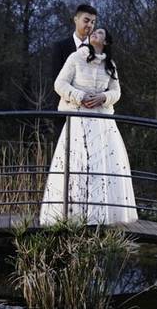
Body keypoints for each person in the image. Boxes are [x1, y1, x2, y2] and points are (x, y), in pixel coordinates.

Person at [39, 27, 138, 225]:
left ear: (106, 41)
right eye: (94, 31)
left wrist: (104, 97)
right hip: (78, 119)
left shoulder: (110, 65)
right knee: (77, 163)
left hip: (103, 123)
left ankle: (100, 216)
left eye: (100, 33)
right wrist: (79, 96)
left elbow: (116, 92)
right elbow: (60, 84)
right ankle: (73, 214)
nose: (95, 33)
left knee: (102, 165)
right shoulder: (76, 58)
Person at [50, 4, 97, 76]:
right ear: (76, 20)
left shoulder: (97, 48)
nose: (90, 25)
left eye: (92, 22)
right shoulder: (60, 47)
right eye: (86, 21)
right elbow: (56, 80)